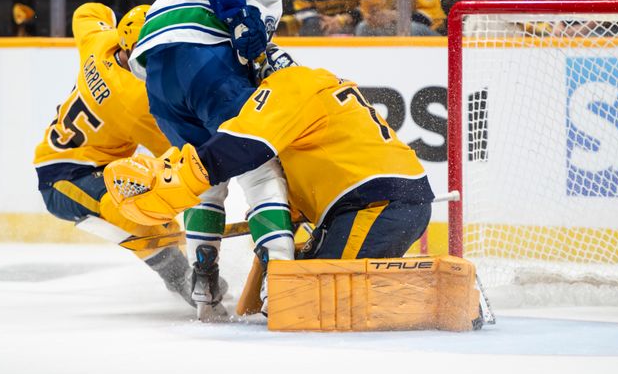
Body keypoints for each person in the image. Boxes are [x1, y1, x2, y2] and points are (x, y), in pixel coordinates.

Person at [104, 43, 435, 309]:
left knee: (310, 299)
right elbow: (299, 186)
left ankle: (434, 295)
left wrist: (179, 177)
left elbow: (241, 147)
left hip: (375, 206)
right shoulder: (315, 85)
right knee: (300, 283)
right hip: (384, 202)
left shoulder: (286, 86)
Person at [127, 0, 311, 316]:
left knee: (203, 176)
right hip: (204, 61)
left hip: (162, 81)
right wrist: (240, 18)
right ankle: (282, 283)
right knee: (260, 167)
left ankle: (203, 286)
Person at [32, 2, 194, 306]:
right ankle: (181, 276)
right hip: (63, 177)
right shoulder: (135, 102)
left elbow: (87, 12)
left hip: (92, 163)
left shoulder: (101, 42)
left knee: (151, 203)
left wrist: (119, 25)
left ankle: (185, 268)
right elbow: (183, 149)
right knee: (131, 211)